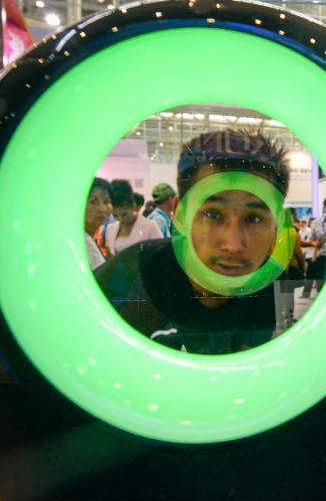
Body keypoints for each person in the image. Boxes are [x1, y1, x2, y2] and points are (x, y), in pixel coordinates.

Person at [96, 129, 290, 354]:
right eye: (213, 214)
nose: (233, 245)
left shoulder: (273, 288)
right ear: (180, 215)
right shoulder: (129, 277)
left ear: (277, 225)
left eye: (253, 218)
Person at [104, 179, 163, 255]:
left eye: (124, 214)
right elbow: (110, 255)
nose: (120, 219)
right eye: (115, 216)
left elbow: (161, 254)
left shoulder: (150, 227)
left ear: (133, 206)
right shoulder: (110, 228)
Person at [84, 178, 113, 274]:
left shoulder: (90, 237)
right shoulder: (83, 242)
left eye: (106, 201)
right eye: (93, 202)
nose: (102, 209)